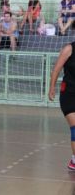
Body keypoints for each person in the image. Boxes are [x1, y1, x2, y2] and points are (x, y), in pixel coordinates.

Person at [49, 42, 75, 170]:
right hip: (69, 95)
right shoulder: (69, 49)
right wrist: (52, 87)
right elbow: (56, 70)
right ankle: (74, 161)